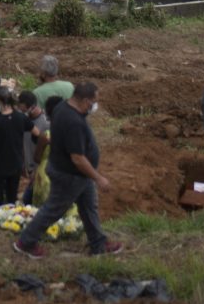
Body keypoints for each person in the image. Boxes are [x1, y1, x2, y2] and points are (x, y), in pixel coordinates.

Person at [13, 83, 123, 259]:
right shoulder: (74, 123)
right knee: (53, 209)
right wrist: (99, 178)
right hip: (69, 174)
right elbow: (77, 158)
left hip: (76, 174)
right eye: (94, 101)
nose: (95, 105)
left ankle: (98, 243)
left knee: (89, 207)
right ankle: (26, 242)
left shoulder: (62, 107)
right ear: (86, 101)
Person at [0, 88, 29, 206]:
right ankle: (10, 218)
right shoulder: (20, 117)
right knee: (11, 197)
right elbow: (37, 132)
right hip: (15, 163)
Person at [18, 90, 50, 205]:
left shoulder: (46, 123)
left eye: (23, 109)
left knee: (30, 200)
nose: (22, 112)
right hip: (30, 168)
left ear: (32, 107)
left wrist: (37, 170)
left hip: (41, 169)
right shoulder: (22, 119)